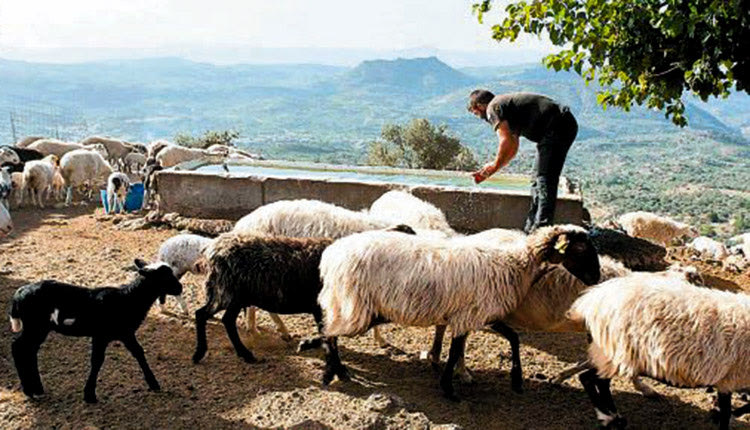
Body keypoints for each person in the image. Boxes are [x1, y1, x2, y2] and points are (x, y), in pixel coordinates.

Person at [467, 90, 578, 233]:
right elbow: (512, 146)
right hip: (560, 126)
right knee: (536, 179)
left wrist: (494, 165)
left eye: (476, 113)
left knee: (544, 179)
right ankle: (531, 228)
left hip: (557, 127)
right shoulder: (505, 107)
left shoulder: (492, 108)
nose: (480, 117)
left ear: (479, 106)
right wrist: (493, 169)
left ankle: (542, 230)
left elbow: (505, 140)